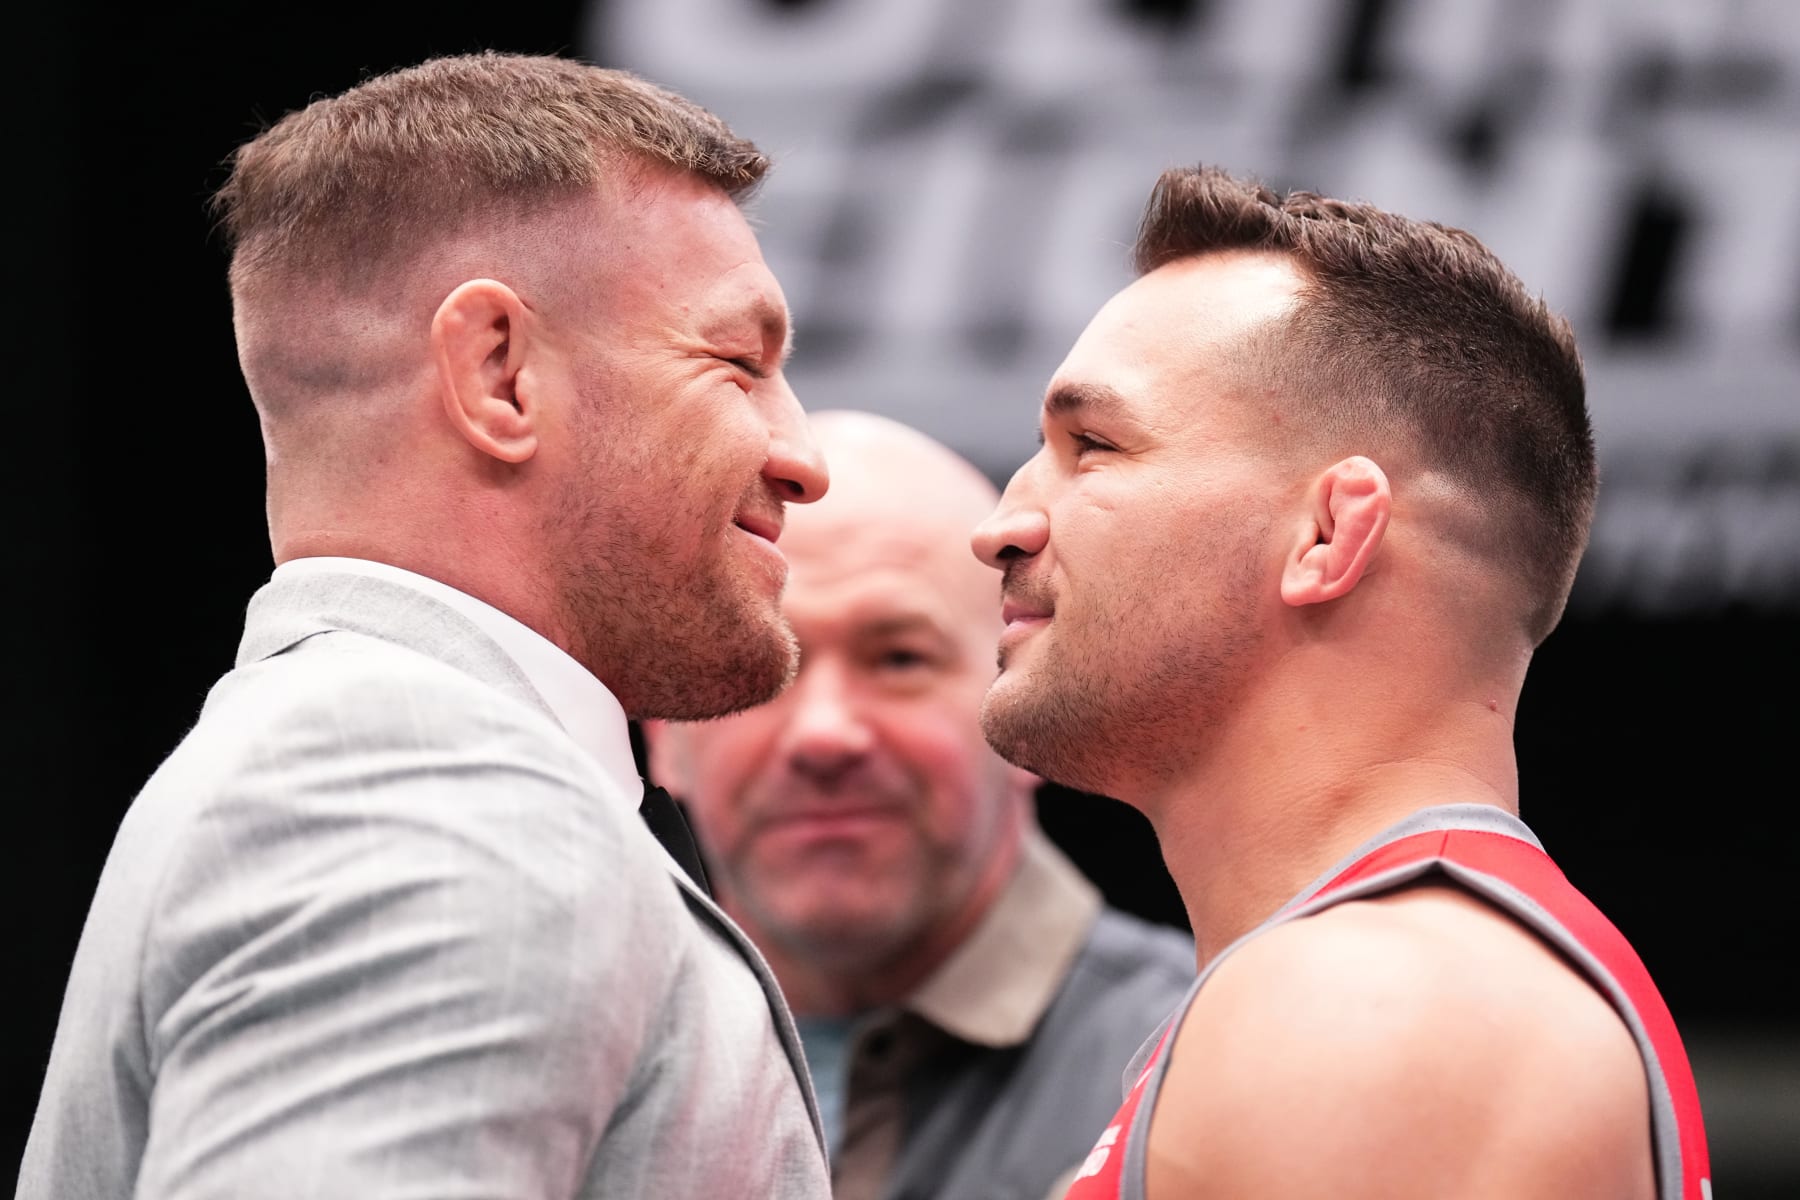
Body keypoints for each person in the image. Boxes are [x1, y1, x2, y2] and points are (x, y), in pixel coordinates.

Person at [22, 53, 834, 1199]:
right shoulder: (439, 794)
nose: (805, 458)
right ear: (498, 374)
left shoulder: (357, 761)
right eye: (738, 363)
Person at [971, 165, 1711, 1200]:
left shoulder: (1377, 1008)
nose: (1001, 525)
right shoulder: (1391, 983)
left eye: (1092, 445)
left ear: (1328, 533)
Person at [646, 410, 1195, 1200]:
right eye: (770, 665)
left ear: (1026, 706)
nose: (825, 733)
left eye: (900, 658)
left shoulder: (1196, 1066)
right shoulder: (581, 1045)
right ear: (665, 734)